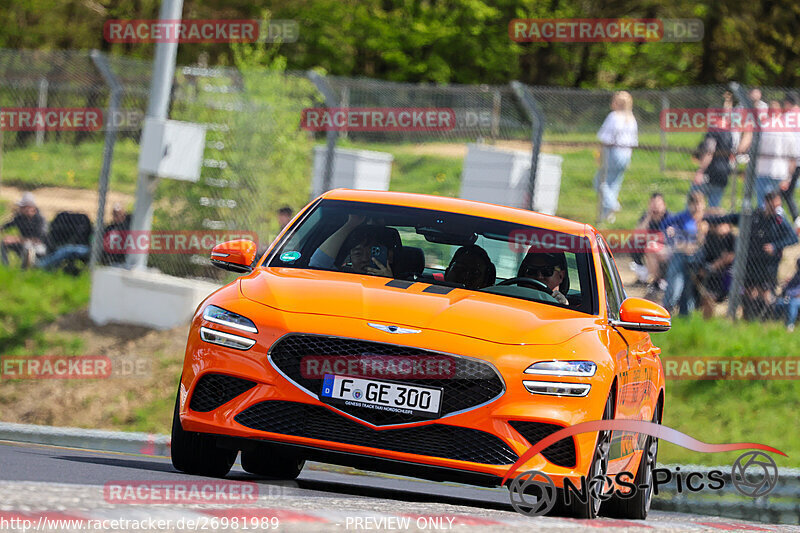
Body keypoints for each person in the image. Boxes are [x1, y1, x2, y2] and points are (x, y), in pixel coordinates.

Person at [706, 190, 798, 320]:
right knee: (750, 292)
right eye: (773, 205)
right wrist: (708, 219)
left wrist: (775, 246)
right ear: (766, 203)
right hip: (751, 261)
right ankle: (748, 318)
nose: (775, 209)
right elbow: (732, 218)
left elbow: (793, 238)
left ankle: (765, 320)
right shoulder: (754, 216)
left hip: (768, 265)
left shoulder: (779, 220)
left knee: (765, 293)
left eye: (777, 206)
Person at [594, 91, 638, 223]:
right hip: (626, 154)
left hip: (613, 152)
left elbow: (604, 138)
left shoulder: (613, 116)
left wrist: (600, 155)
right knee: (614, 183)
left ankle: (612, 204)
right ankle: (607, 215)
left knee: (599, 181)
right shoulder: (631, 118)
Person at [661, 191, 707, 315]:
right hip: (681, 254)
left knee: (687, 287)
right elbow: (665, 225)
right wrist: (671, 234)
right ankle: (668, 308)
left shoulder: (705, 220)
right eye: (694, 203)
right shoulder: (684, 217)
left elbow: (701, 243)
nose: (697, 207)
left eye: (699, 203)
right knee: (677, 280)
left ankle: (679, 312)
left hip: (698, 257)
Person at [309, 215, 398, 277]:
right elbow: (317, 265)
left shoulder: (405, 283)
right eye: (358, 253)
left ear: (389, 255)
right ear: (350, 257)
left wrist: (388, 281)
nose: (365, 259)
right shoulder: (341, 276)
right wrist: (351, 224)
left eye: (373, 252)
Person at [754, 100, 799, 208]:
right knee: (776, 205)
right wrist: (788, 177)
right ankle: (780, 223)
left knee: (763, 204)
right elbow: (792, 157)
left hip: (763, 171)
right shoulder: (787, 130)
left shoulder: (763, 127)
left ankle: (768, 223)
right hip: (781, 172)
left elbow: (755, 149)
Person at [688, 221, 735, 319]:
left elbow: (730, 257)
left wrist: (714, 266)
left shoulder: (732, 238)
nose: (719, 226)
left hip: (724, 275)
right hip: (707, 274)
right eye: (716, 224)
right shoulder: (710, 238)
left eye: (721, 223)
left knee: (710, 294)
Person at [692, 106, 735, 209]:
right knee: (714, 207)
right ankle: (712, 223)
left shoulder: (713, 131)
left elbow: (709, 152)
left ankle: (691, 224)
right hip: (723, 173)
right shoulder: (728, 133)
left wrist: (700, 171)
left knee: (693, 202)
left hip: (710, 173)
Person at [631, 192, 669, 291]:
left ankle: (657, 280)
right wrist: (648, 217)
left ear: (664, 205)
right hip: (650, 244)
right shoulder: (647, 216)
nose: (655, 207)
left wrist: (650, 238)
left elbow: (666, 237)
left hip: (664, 248)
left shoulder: (668, 217)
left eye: (658, 204)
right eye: (652, 204)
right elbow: (637, 234)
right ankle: (642, 273)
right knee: (633, 242)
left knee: (650, 246)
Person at [1, 192, 47, 268]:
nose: (20, 209)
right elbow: (6, 226)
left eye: (22, 207)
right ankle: (6, 266)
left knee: (27, 247)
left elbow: (37, 239)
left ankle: (25, 270)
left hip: (38, 247)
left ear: (30, 207)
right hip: (23, 243)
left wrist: (16, 239)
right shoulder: (20, 218)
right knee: (3, 243)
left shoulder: (40, 220)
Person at [781, 93, 800, 221]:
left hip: (789, 160)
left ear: (787, 103)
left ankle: (795, 221)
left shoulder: (784, 118)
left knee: (785, 192)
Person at [775, 257, 800, 331]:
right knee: (779, 303)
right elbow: (788, 289)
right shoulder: (796, 275)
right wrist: (787, 284)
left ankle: (790, 325)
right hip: (789, 297)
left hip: (797, 299)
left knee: (793, 304)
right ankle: (776, 322)